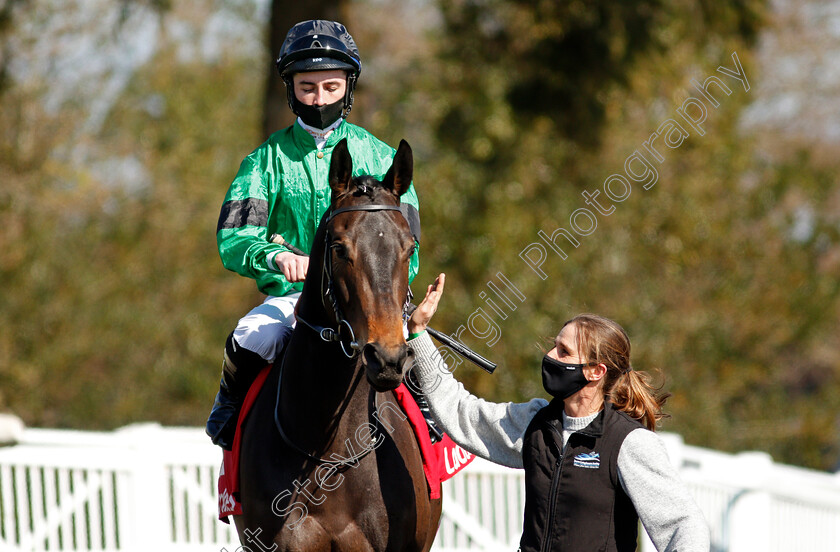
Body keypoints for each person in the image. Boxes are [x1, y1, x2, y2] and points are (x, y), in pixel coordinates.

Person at [206, 20, 422, 450]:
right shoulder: (264, 161)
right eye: (307, 87)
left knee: (420, 354)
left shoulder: (381, 157)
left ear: (349, 86)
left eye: (330, 86)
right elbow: (234, 235)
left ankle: (433, 433)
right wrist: (272, 256)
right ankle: (228, 411)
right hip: (293, 298)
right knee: (253, 336)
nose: (319, 98)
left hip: (373, 296)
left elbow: (408, 248)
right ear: (290, 89)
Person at [406, 274, 711, 552]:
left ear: (595, 371)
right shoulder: (535, 422)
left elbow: (685, 527)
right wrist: (418, 334)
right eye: (554, 346)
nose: (550, 356)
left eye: (563, 351)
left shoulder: (630, 443)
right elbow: (461, 412)